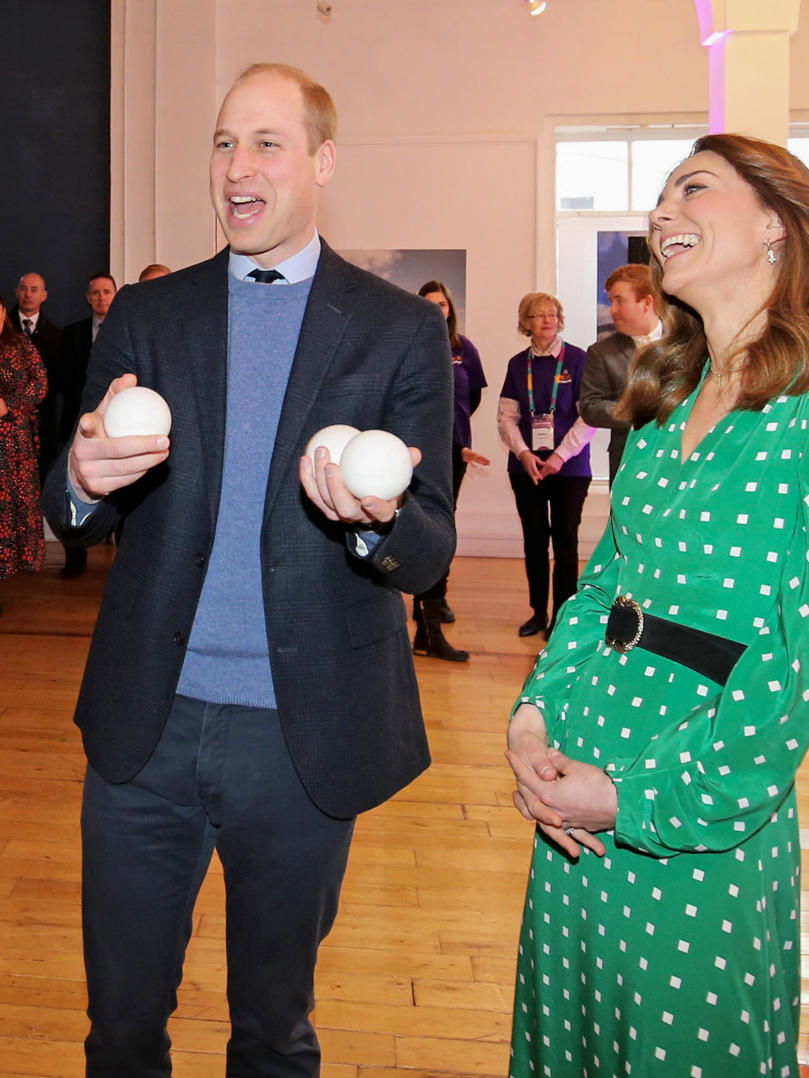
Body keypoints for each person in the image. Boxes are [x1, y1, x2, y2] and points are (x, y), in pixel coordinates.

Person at [42, 61, 454, 1076]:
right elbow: (68, 498)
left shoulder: (401, 329)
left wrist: (375, 520)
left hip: (303, 734)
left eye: (267, 142)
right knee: (121, 1029)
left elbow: (431, 545)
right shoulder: (149, 316)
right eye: (224, 142)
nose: (237, 166)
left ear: (321, 161)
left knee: (274, 1033)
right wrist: (83, 482)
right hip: (147, 725)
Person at [505, 133, 809, 1078]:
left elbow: (801, 669)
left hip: (694, 806)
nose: (661, 213)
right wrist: (533, 719)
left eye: (692, 188)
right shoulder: (667, 391)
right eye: (658, 199)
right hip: (573, 777)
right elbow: (602, 588)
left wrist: (639, 797)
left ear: (778, 220)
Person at [498, 292, 595, 639]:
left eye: (552, 314)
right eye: (538, 315)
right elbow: (507, 418)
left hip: (569, 469)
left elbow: (590, 418)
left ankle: (562, 617)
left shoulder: (579, 360)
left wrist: (558, 456)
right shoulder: (516, 364)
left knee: (566, 541)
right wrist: (525, 454)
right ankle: (538, 612)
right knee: (534, 540)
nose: (547, 320)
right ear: (526, 322)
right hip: (526, 468)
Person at [411, 279, 488, 661]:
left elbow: (470, 398)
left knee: (443, 528)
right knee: (420, 530)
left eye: (442, 304)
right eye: (429, 303)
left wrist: (456, 441)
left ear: (449, 310)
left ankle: (430, 618)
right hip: (417, 456)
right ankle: (429, 628)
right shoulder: (408, 345)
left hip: (454, 455)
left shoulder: (463, 349)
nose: (437, 310)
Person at [57, 273, 118, 579]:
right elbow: (64, 380)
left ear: (115, 294)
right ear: (88, 297)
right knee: (72, 488)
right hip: (75, 423)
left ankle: (122, 559)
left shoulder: (127, 330)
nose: (101, 297)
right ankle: (74, 559)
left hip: (118, 425)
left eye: (106, 292)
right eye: (95, 292)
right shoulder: (72, 334)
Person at [579, 263, 662, 478]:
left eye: (619, 300)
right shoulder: (601, 352)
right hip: (628, 463)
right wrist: (638, 412)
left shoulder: (686, 342)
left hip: (680, 461)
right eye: (610, 301)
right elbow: (590, 407)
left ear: (646, 302)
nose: (612, 310)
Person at [0, 292, 48, 612]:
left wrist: (8, 405)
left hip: (12, 447)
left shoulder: (20, 347)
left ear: (3, 312)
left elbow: (40, 385)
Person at [11, 271, 61, 479]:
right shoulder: (6, 330)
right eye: (23, 289)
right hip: (8, 423)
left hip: (42, 424)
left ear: (44, 295)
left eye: (34, 290)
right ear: (16, 293)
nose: (28, 294)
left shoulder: (57, 335)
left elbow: (58, 381)